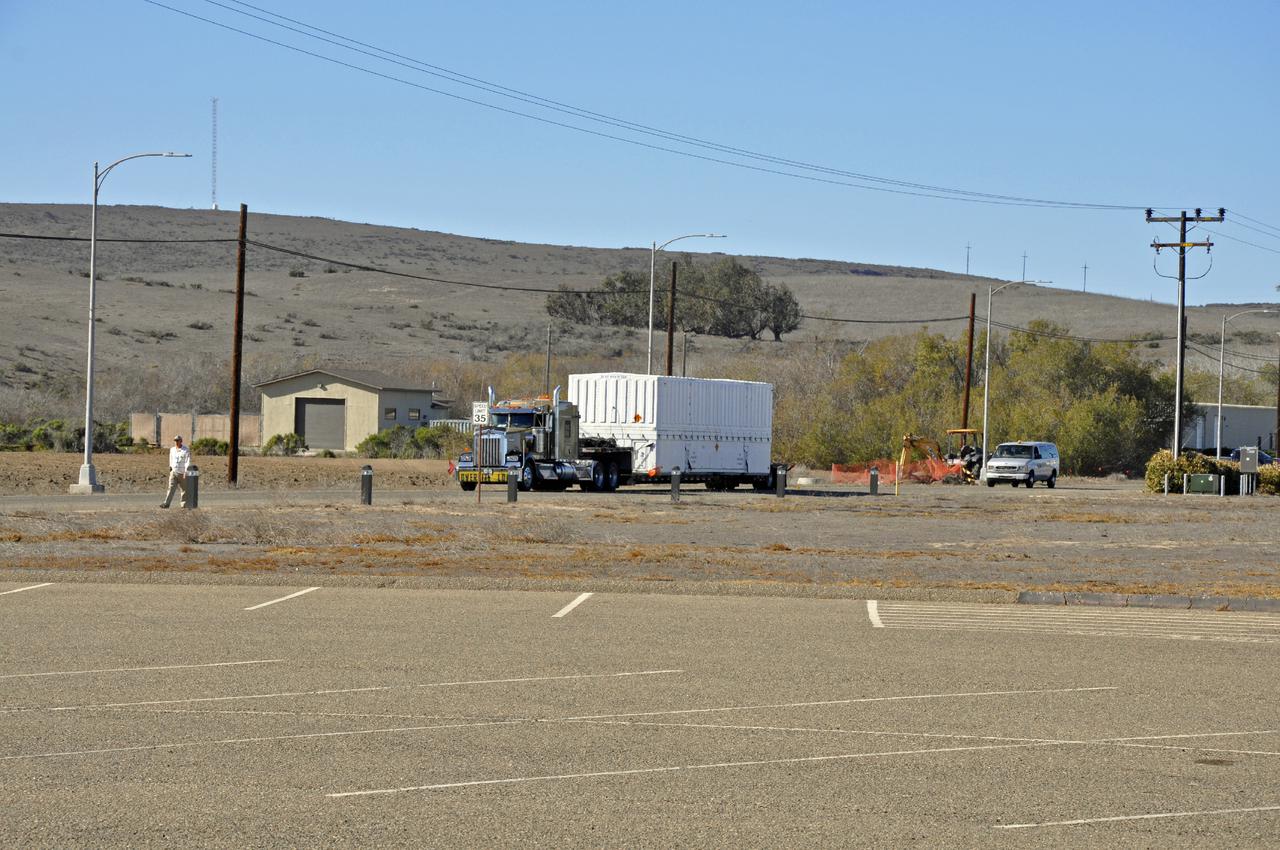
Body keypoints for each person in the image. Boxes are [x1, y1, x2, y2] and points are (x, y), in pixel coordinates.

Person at [160, 435, 191, 508]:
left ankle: (184, 504)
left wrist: (186, 472)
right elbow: (171, 459)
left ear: (181, 441)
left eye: (178, 440)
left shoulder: (186, 450)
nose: (176, 442)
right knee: (171, 488)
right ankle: (166, 504)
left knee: (184, 490)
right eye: (175, 441)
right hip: (174, 472)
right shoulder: (172, 449)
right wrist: (170, 468)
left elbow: (187, 461)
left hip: (182, 473)